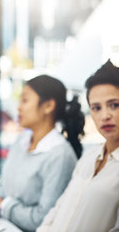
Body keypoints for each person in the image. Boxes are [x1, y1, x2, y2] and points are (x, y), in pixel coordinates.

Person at [0, 75, 85, 232]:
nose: (18, 107)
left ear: (48, 106)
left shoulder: (60, 155)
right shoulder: (21, 141)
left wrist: (2, 204)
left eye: (25, 100)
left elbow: (42, 220)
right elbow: (4, 189)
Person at [37, 60, 119, 232]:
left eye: (114, 105)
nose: (105, 115)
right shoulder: (89, 157)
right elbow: (58, 210)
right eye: (96, 108)